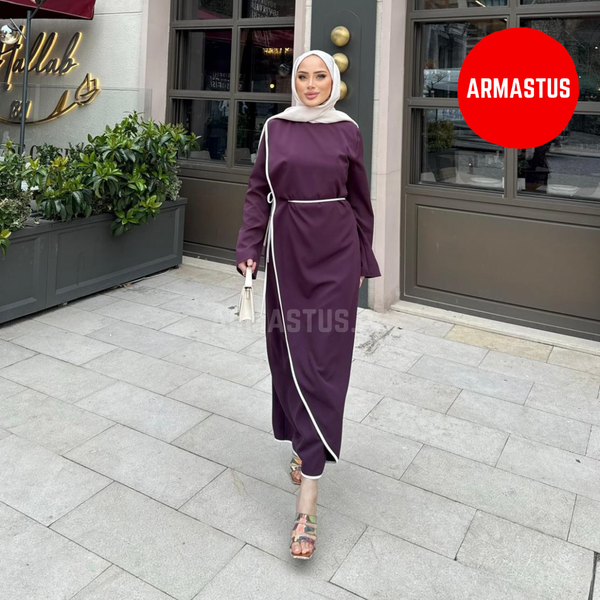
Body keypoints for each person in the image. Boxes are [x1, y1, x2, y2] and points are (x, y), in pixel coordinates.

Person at [235, 49, 381, 560]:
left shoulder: (348, 131)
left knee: (325, 362)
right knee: (289, 355)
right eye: (303, 76)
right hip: (288, 252)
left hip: (336, 256)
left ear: (334, 82)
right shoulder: (274, 129)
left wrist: (363, 256)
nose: (311, 84)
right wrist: (249, 247)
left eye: (320, 76)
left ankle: (309, 498)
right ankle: (303, 438)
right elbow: (258, 192)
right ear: (293, 81)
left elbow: (360, 201)